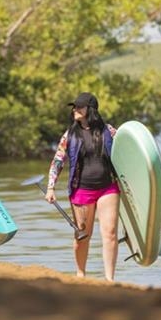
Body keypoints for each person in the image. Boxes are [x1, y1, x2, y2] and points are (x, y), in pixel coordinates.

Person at [46, 92, 121, 281]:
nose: (75, 110)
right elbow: (58, 160)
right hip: (81, 190)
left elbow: (127, 151)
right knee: (82, 235)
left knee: (110, 233)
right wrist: (50, 187)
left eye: (79, 106)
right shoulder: (70, 134)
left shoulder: (109, 131)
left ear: (91, 110)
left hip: (107, 187)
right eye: (74, 106)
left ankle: (110, 279)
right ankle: (80, 275)